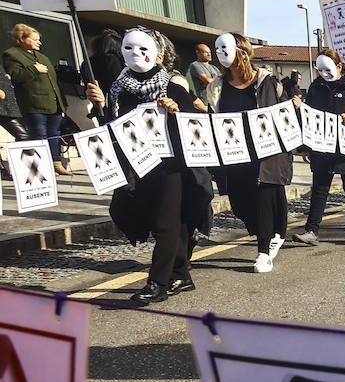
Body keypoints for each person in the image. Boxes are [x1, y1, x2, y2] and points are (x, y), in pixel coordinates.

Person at [86, 28, 211, 302]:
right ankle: (182, 275)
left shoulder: (173, 86)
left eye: (143, 49)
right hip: (138, 166)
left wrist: (177, 110)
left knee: (166, 224)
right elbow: (112, 129)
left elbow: (196, 127)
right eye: (128, 49)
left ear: (157, 55)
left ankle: (157, 284)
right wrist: (100, 106)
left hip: (172, 167)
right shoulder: (118, 91)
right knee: (164, 223)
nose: (136, 54)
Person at [202, 34, 298, 273]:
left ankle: (263, 251)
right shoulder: (217, 86)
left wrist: (293, 109)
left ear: (242, 52)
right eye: (217, 49)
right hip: (235, 154)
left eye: (225, 48)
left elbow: (283, 114)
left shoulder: (267, 83)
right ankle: (270, 233)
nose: (220, 53)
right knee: (240, 204)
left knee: (265, 199)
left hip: (266, 154)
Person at [294, 49, 345, 245]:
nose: (324, 74)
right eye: (319, 70)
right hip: (323, 147)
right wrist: (305, 146)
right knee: (320, 190)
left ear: (339, 66)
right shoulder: (315, 87)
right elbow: (308, 119)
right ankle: (311, 231)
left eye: (327, 69)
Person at [3, 23, 70, 174]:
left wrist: (63, 101)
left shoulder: (43, 57)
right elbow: (14, 77)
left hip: (54, 104)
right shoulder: (12, 54)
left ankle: (56, 162)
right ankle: (40, 166)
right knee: (38, 135)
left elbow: (55, 81)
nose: (39, 42)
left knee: (55, 134)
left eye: (39, 39)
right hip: (33, 104)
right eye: (34, 39)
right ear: (21, 39)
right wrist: (34, 69)